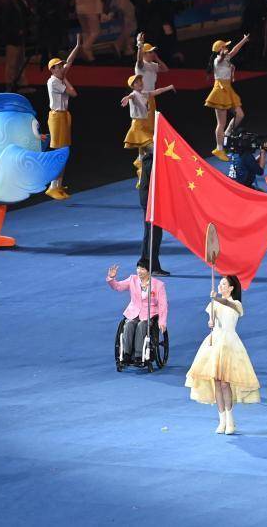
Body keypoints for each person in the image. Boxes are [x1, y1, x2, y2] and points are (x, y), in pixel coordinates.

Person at [185, 275, 261, 434]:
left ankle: (231, 420)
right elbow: (212, 321)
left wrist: (216, 299)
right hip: (215, 342)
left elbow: (228, 304)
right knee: (217, 382)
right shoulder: (214, 303)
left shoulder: (236, 304)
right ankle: (222, 421)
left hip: (230, 343)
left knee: (226, 383)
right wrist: (210, 322)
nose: (220, 286)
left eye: (224, 284)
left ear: (231, 288)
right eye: (220, 283)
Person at [106, 261, 168, 365]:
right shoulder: (132, 279)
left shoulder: (158, 285)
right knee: (129, 324)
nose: (139, 271)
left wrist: (162, 321)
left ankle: (139, 355)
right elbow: (118, 287)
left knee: (141, 325)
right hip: (133, 312)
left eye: (142, 269)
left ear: (149, 271)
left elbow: (163, 304)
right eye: (138, 268)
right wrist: (111, 278)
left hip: (150, 314)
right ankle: (126, 354)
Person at [44, 37, 80, 200]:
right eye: (59, 67)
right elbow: (73, 93)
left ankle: (58, 185)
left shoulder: (58, 77)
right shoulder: (54, 82)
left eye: (61, 66)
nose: (61, 68)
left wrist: (78, 46)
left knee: (64, 151)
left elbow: (70, 62)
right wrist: (65, 77)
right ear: (53, 70)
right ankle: (52, 186)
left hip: (64, 115)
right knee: (60, 152)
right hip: (57, 117)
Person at [205, 36, 249, 161]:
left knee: (240, 115)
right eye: (225, 46)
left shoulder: (226, 57)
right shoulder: (218, 59)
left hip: (228, 89)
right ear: (220, 49)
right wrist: (223, 54)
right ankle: (219, 149)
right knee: (221, 123)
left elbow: (234, 50)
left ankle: (228, 133)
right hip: (220, 91)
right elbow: (222, 57)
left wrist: (244, 40)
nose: (227, 48)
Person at [122, 74, 175, 172]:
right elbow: (131, 96)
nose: (140, 83)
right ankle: (154, 170)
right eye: (137, 82)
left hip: (144, 126)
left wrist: (169, 87)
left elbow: (157, 91)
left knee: (144, 154)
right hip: (137, 127)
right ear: (132, 86)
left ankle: (143, 171)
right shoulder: (134, 94)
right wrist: (127, 98)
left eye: (140, 81)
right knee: (153, 149)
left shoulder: (144, 93)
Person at [138, 148, 169, 276]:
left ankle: (144, 263)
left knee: (149, 232)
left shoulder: (148, 160)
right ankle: (153, 267)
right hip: (151, 200)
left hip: (149, 199)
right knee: (154, 234)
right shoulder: (152, 162)